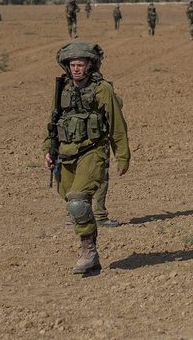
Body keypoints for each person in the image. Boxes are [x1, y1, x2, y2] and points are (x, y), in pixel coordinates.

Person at [43, 42, 130, 274]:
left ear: (90, 65)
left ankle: (88, 251)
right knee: (71, 203)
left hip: (93, 151)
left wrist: (122, 156)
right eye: (72, 65)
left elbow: (117, 125)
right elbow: (53, 123)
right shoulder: (63, 88)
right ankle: (90, 248)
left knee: (78, 201)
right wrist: (48, 151)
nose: (76, 69)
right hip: (66, 154)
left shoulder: (102, 90)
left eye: (80, 64)